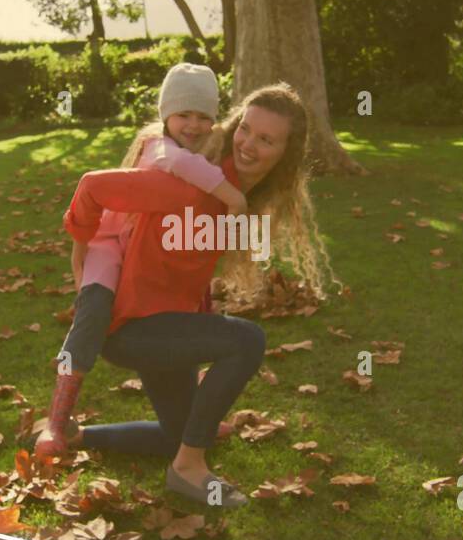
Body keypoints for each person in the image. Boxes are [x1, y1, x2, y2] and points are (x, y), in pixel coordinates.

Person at [38, 83, 335, 508]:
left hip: (164, 324)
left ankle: (77, 435)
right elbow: (93, 186)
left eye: (266, 139)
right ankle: (188, 469)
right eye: (245, 130)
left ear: (286, 153)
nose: (249, 144)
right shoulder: (192, 184)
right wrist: (81, 251)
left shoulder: (234, 194)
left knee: (181, 431)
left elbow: (188, 269)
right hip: (132, 327)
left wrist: (198, 324)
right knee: (247, 340)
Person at [36, 63, 246, 458]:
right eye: (184, 114)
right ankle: (57, 419)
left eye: (204, 117)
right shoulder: (161, 149)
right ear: (166, 114)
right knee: (94, 310)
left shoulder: (191, 152)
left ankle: (193, 413)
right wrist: (234, 197)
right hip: (108, 245)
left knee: (196, 302)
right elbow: (180, 168)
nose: (194, 125)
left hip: (139, 250)